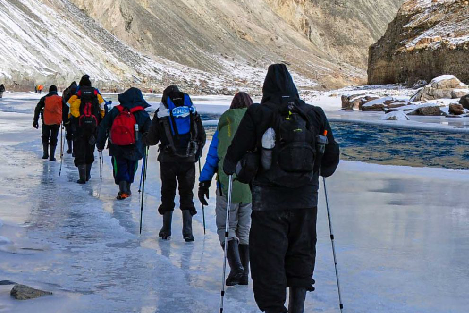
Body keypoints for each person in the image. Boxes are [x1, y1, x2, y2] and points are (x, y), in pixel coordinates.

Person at [223, 64, 340, 313]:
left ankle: (275, 309)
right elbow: (330, 161)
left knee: (269, 260)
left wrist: (238, 167)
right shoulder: (314, 113)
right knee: (301, 253)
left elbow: (232, 157)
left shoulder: (258, 113)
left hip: (268, 202)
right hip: (306, 201)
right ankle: (297, 307)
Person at [200, 91, 254, 285]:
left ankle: (236, 269)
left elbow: (213, 156)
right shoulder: (256, 122)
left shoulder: (225, 123)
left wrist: (204, 181)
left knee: (226, 227)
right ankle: (244, 274)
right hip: (251, 185)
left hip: (228, 182)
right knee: (244, 230)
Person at [145, 85, 205, 241]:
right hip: (188, 159)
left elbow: (152, 139)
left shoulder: (161, 114)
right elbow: (202, 137)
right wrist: (196, 153)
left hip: (168, 160)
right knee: (187, 192)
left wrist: (144, 137)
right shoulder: (191, 112)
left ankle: (166, 229)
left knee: (168, 191)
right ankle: (188, 230)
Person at [96, 87, 150, 200]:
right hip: (135, 145)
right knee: (131, 165)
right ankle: (127, 187)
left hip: (116, 145)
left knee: (119, 165)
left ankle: (122, 188)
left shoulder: (116, 111)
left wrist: (100, 144)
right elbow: (149, 131)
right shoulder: (142, 113)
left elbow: (103, 127)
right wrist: (147, 142)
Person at [70, 75, 104, 184]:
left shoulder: (77, 95)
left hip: (79, 127)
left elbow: (68, 106)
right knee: (90, 150)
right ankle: (88, 175)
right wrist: (99, 122)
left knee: (80, 150)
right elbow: (103, 109)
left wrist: (72, 120)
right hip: (93, 128)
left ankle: (82, 177)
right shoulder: (96, 95)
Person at [32, 85, 63, 160]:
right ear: (56, 91)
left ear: (49, 90)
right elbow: (66, 108)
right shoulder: (60, 99)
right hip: (56, 121)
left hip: (46, 120)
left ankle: (45, 154)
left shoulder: (45, 98)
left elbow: (38, 108)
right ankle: (52, 156)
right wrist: (66, 121)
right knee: (54, 137)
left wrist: (35, 120)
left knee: (45, 136)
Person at [62, 81, 78, 154]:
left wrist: (64, 120)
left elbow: (64, 108)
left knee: (69, 133)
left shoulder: (67, 95)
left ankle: (70, 149)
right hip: (76, 117)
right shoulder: (78, 95)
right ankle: (75, 150)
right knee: (76, 134)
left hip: (68, 117)